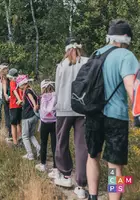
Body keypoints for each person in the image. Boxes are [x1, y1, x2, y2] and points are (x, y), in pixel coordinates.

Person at [85, 19, 139, 200]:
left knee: (93, 156)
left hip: (93, 114)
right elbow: (131, 87)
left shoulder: (97, 54)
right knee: (115, 166)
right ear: (126, 38)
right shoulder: (126, 56)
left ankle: (92, 196)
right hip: (116, 117)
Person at [54, 37, 89, 199]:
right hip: (82, 109)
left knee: (61, 142)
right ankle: (81, 185)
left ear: (66, 50)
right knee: (82, 146)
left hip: (63, 108)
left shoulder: (61, 66)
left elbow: (57, 88)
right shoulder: (87, 63)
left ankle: (66, 175)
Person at [16, 75, 41, 160]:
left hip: (27, 116)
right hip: (34, 116)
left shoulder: (27, 91)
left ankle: (30, 154)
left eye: (19, 85)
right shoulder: (32, 89)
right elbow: (29, 101)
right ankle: (39, 148)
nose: (19, 87)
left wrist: (34, 105)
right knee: (31, 135)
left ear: (23, 84)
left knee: (25, 136)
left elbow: (32, 100)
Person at [35, 80, 57, 173]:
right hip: (55, 122)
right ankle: (56, 167)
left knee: (44, 143)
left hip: (44, 123)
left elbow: (37, 109)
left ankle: (43, 164)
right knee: (55, 145)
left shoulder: (40, 97)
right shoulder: (56, 96)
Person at [0, 63, 12, 140]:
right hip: (0, 97)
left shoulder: (8, 78)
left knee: (8, 114)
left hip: (7, 98)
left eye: (5, 69)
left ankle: (10, 131)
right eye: (3, 69)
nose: (4, 71)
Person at [7, 68, 23, 147]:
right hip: (20, 106)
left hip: (14, 105)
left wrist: (18, 99)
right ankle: (20, 140)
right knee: (18, 123)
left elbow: (14, 91)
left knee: (13, 125)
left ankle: (15, 142)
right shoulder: (19, 82)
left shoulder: (12, 82)